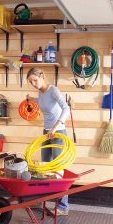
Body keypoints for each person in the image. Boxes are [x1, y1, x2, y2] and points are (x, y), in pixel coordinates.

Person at [27, 67, 70, 215]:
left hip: (57, 133)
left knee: (58, 168)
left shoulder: (53, 90)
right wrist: (31, 99)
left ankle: (63, 207)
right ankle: (41, 201)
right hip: (46, 132)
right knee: (43, 167)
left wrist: (55, 127)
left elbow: (66, 109)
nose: (33, 83)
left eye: (35, 80)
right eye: (30, 82)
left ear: (42, 76)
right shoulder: (41, 92)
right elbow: (42, 101)